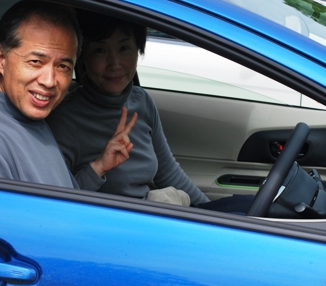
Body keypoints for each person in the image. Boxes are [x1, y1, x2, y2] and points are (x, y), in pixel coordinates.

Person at [0, 0, 136, 187]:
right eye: (35, 62)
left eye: (62, 66)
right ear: (1, 58)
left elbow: (64, 195)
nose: (49, 81)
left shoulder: (32, 122)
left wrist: (99, 166)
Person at [47, 10, 211, 205]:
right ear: (82, 57)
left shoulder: (142, 101)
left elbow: (168, 172)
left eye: (124, 48)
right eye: (100, 50)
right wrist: (98, 167)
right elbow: (56, 200)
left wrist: (210, 211)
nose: (114, 63)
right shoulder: (65, 118)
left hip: (151, 213)